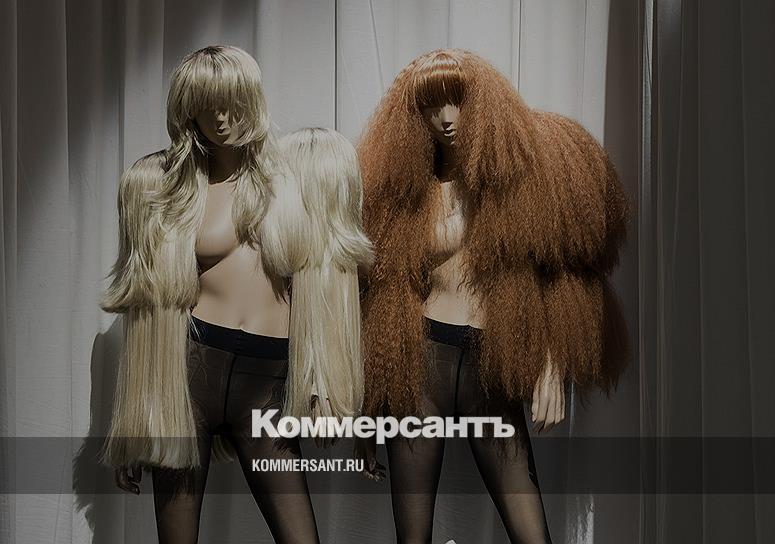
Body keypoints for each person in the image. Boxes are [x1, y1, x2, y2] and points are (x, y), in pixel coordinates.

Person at [99, 45, 370, 544]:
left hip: (267, 380)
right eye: (206, 106)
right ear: (187, 112)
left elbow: (328, 278)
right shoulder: (165, 188)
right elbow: (147, 301)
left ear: (251, 101)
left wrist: (325, 382)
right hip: (190, 373)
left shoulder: (296, 177)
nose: (220, 119)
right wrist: (139, 422)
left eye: (230, 103)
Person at [356, 49, 628, 544]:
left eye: (456, 101)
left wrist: (552, 366)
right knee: (412, 535)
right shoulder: (403, 194)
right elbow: (382, 295)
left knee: (531, 532)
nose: (445, 118)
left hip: (491, 360)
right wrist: (370, 412)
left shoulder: (522, 181)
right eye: (431, 106)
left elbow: (559, 274)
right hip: (420, 362)